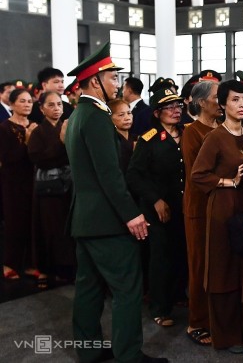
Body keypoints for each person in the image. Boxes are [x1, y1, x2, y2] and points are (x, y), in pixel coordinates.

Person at [64, 42, 166, 363]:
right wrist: (131, 214)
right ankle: (129, 355)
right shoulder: (95, 117)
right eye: (112, 77)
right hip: (107, 221)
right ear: (95, 80)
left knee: (89, 290)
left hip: (86, 220)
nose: (117, 83)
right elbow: (108, 175)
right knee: (127, 289)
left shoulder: (80, 115)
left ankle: (90, 352)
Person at [191, 79, 243, 351]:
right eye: (236, 100)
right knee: (223, 271)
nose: (242, 105)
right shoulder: (215, 136)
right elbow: (198, 175)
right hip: (222, 208)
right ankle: (225, 336)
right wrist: (230, 181)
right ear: (223, 104)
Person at [126, 81, 187, 330]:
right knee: (160, 256)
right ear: (156, 113)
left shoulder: (187, 133)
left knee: (181, 252)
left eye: (178, 105)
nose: (176, 110)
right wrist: (155, 200)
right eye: (169, 107)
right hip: (158, 206)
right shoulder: (149, 139)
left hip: (183, 204)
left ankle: (177, 295)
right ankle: (159, 307)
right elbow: (134, 175)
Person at [181, 80, 220, 346]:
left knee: (221, 265)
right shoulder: (192, 132)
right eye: (218, 97)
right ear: (202, 102)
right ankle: (197, 321)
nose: (222, 100)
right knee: (199, 264)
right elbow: (198, 173)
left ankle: (219, 319)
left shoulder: (226, 128)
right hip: (200, 206)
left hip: (224, 206)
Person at [27, 91, 75, 288]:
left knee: (67, 229)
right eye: (52, 105)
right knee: (47, 230)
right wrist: (60, 144)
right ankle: (47, 270)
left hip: (69, 186)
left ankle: (68, 269)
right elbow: (37, 158)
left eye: (59, 105)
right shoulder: (38, 132)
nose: (57, 109)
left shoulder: (68, 127)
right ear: (42, 108)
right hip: (48, 189)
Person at [0, 88, 39, 280]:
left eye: (30, 102)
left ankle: (31, 264)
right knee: (15, 224)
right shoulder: (4, 128)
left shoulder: (34, 125)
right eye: (22, 101)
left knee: (33, 223)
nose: (27, 105)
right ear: (13, 104)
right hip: (12, 182)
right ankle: (10, 264)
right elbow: (8, 158)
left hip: (33, 181)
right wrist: (28, 140)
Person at [108, 98, 136, 172]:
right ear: (110, 118)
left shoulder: (137, 138)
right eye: (121, 115)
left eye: (129, 113)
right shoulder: (111, 141)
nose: (127, 118)